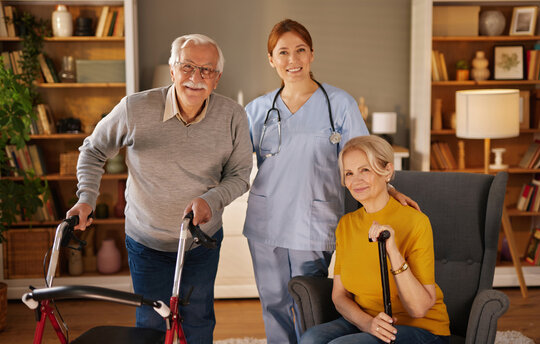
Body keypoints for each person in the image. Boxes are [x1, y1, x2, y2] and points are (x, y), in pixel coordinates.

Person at [66, 34, 253, 343]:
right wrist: (86, 197)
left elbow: (240, 174)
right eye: (187, 67)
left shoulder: (233, 115)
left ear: (217, 79)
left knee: (198, 321)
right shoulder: (135, 108)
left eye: (206, 70)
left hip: (200, 243)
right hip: (146, 241)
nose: (195, 78)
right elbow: (93, 150)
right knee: (152, 324)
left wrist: (212, 199)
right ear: (172, 70)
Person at [243, 19, 419, 344]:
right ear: (271, 59)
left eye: (300, 50)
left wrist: (390, 188)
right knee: (273, 304)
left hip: (312, 220)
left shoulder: (338, 104)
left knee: (306, 304)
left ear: (312, 55)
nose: (292, 60)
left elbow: (363, 156)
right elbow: (233, 162)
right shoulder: (257, 110)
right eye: (283, 52)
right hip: (266, 222)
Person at [300, 135, 450, 344]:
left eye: (365, 170)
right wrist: (367, 324)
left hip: (421, 329)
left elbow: (418, 309)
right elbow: (339, 295)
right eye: (349, 173)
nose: (356, 180)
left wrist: (393, 252)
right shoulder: (346, 224)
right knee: (310, 340)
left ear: (387, 171)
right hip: (368, 320)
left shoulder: (416, 222)